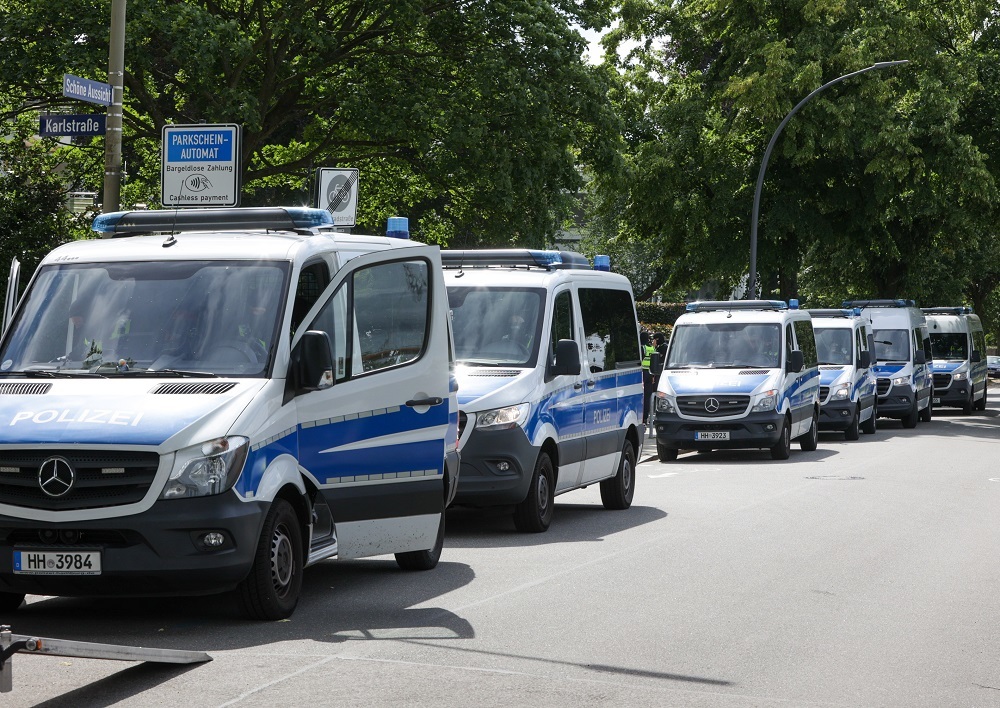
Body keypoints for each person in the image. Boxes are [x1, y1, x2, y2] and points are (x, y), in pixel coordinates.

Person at [641, 331, 655, 424]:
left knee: (641, 395)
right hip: (650, 373)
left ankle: (642, 417)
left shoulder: (643, 348)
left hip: (642, 373)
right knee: (648, 396)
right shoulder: (652, 348)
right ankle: (646, 417)